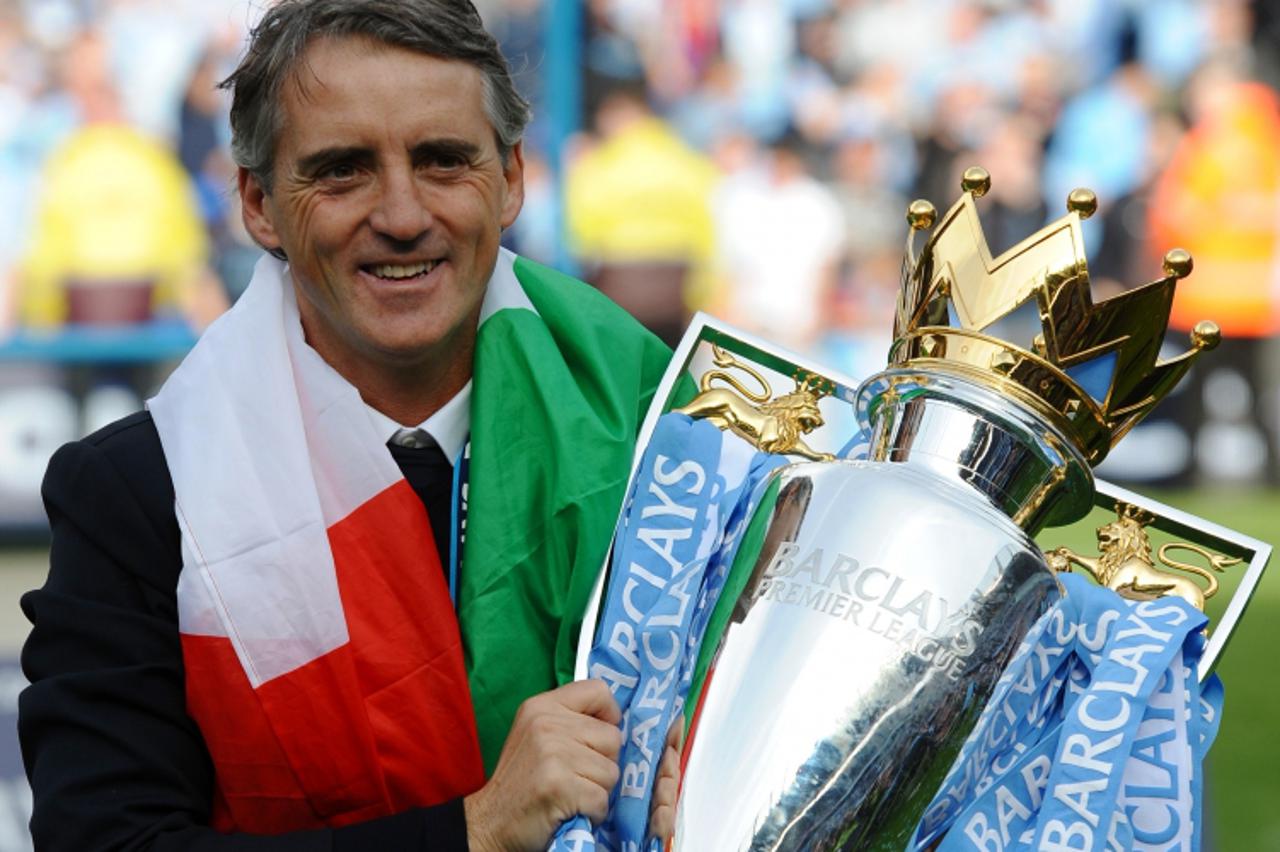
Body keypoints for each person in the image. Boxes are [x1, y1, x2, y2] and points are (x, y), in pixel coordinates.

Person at [18, 1, 681, 849]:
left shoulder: (664, 435)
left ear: (512, 179)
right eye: (343, 170)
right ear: (259, 203)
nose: (403, 214)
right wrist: (474, 830)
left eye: (443, 161)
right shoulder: (139, 493)